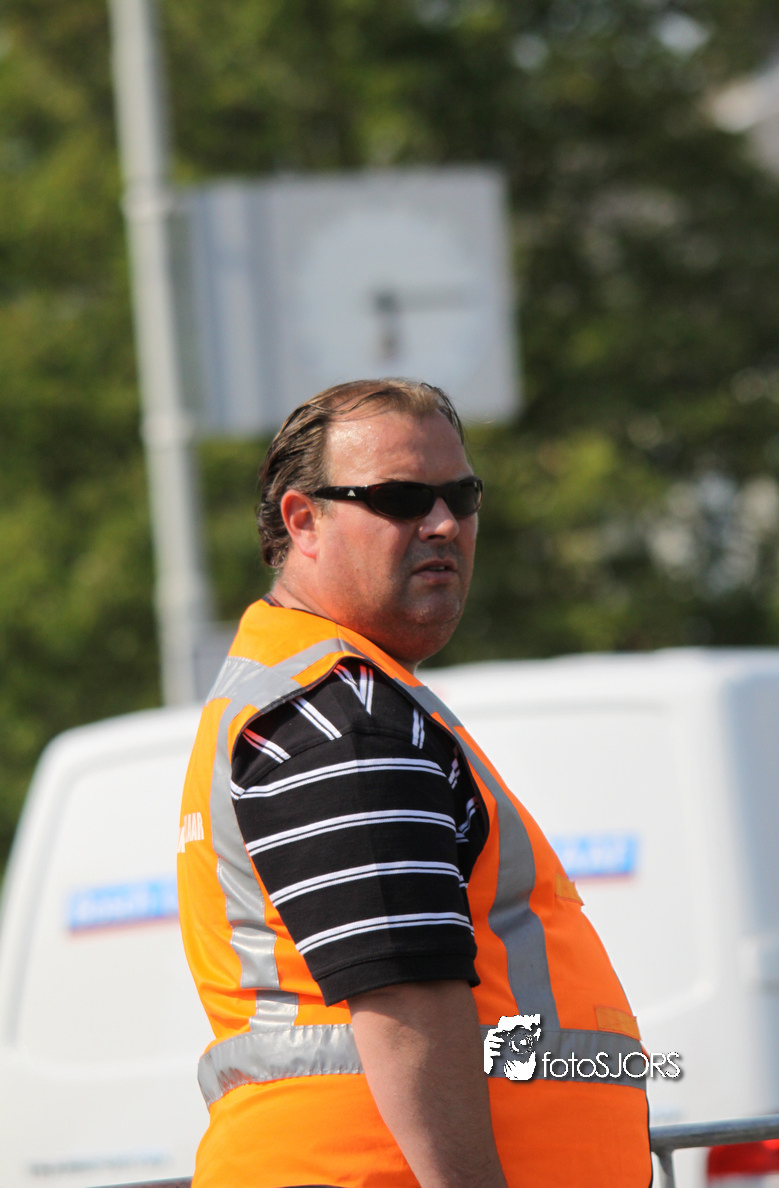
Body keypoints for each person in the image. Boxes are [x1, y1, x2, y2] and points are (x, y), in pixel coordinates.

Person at [177, 378, 652, 1188]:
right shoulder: (341, 715)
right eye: (399, 498)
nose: (442, 524)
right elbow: (404, 996)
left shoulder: (334, 694)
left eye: (460, 496)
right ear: (303, 521)